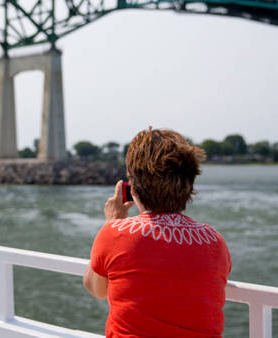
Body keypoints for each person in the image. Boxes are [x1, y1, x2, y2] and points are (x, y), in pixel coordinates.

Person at [83, 127, 231, 337]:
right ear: (189, 186)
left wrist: (113, 221)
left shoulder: (116, 234)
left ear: (133, 188)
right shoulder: (215, 240)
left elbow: (96, 289)